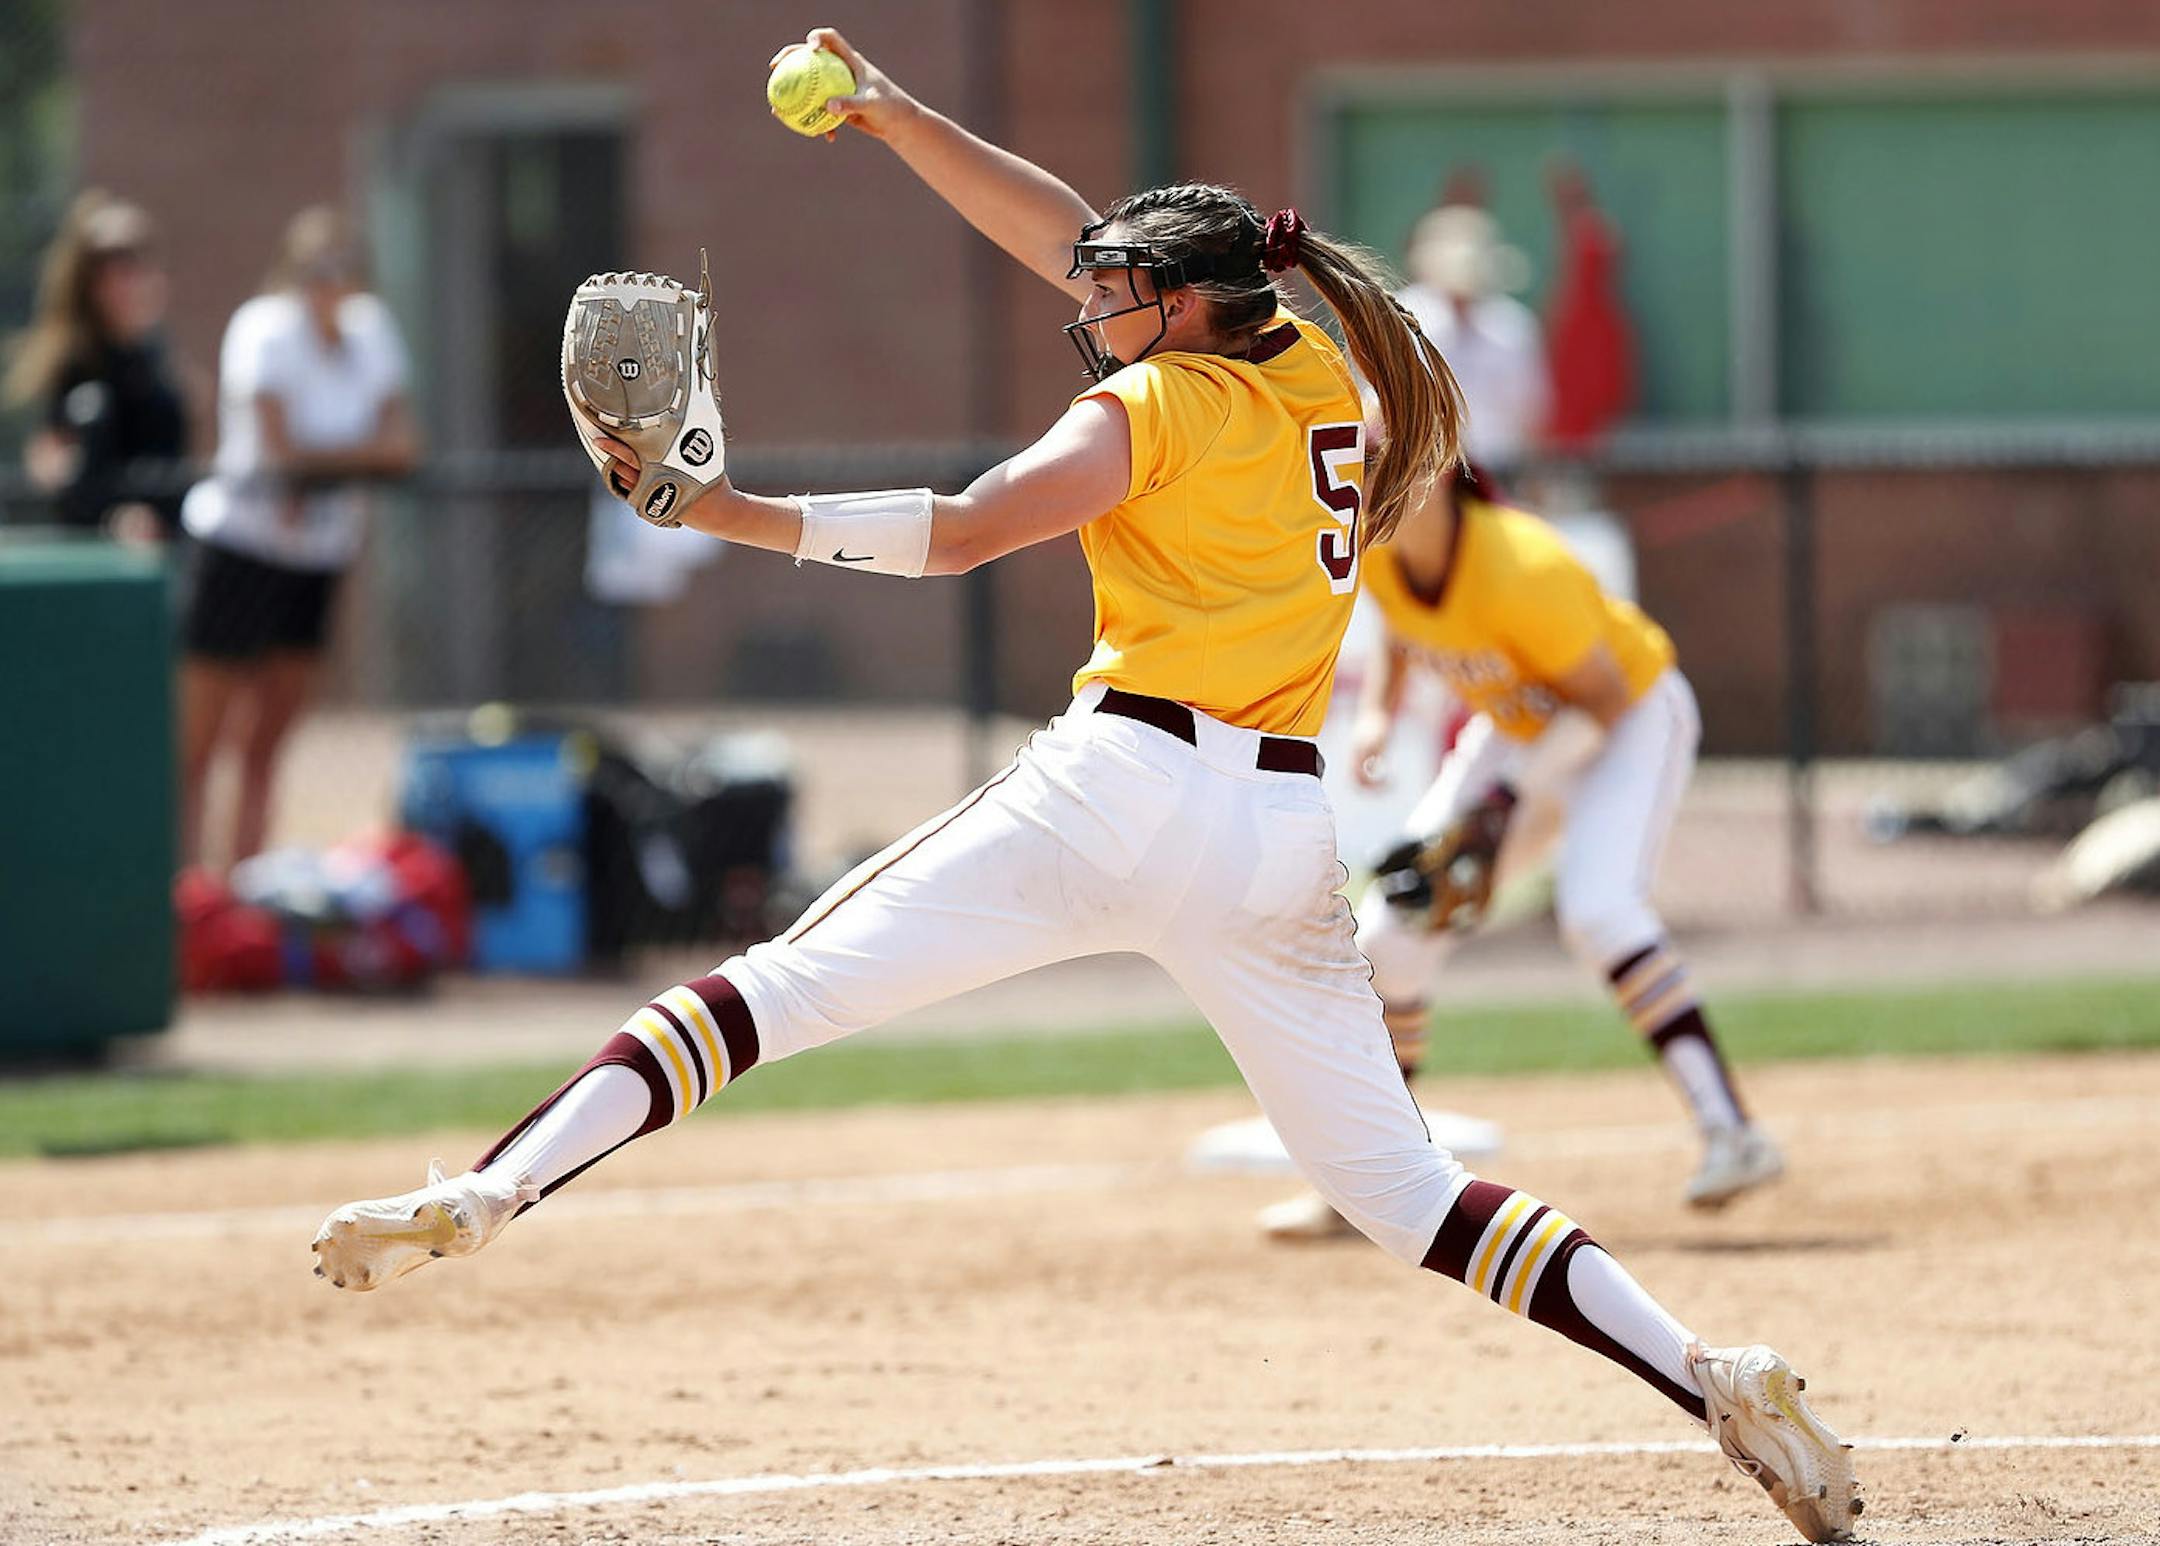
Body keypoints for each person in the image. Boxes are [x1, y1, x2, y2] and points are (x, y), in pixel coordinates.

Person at [312, 29, 1859, 1542]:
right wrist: (900, 116)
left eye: (1124, 291)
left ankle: (500, 1188)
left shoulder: (1152, 403)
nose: (1095, 302)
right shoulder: (1320, 368)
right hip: (1272, 832)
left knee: (771, 992)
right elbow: (1063, 227)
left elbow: (977, 526)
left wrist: (719, 508)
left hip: (1116, 787)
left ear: (1185, 303)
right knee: (1412, 1195)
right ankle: (1705, 1371)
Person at [1259, 465, 1782, 1246]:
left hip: (1630, 718)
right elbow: (1403, 629)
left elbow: (1601, 702)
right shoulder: (1377, 545)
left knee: (1600, 910)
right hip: (1522, 727)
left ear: (1435, 475)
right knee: (1389, 941)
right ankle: (1368, 1185)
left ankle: (1734, 1134)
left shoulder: (1523, 567)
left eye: (1381, 470)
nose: (1364, 488)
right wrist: (1377, 719)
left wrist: (1512, 801)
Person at [177, 205, 417, 869]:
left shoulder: (372, 330)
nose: (330, 284)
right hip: (239, 547)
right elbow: (280, 450)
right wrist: (353, 456)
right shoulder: (264, 329)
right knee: (197, 746)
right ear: (292, 272)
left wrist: (321, 464)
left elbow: (402, 446)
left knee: (266, 744)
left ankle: (241, 891)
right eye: (316, 270)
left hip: (316, 555)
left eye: (343, 270)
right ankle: (185, 900)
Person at [4, 190, 190, 545]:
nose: (138, 283)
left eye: (142, 267)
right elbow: (51, 453)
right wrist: (110, 510)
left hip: (168, 536)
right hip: (106, 546)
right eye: (123, 273)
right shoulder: (80, 360)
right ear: (94, 286)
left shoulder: (155, 354)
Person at [1394, 203, 1550, 482]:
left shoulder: (1511, 326)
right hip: (1426, 473)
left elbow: (1532, 414)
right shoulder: (1405, 317)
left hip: (1499, 471)